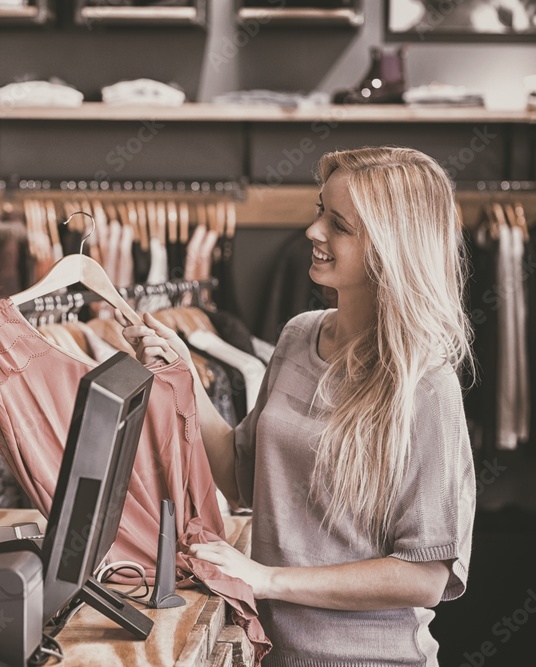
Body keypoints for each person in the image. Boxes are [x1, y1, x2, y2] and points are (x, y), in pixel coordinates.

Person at [125, 146, 475, 666]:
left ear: (389, 248)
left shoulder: (424, 383)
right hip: (273, 651)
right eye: (319, 211)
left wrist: (266, 579)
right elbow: (243, 475)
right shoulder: (298, 336)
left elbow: (426, 576)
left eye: (338, 225)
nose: (312, 232)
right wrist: (182, 377)